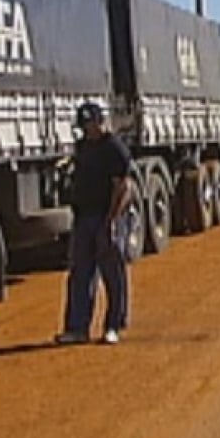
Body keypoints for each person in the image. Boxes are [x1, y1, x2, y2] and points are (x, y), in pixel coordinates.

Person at [55, 102, 135, 346]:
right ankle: (78, 328)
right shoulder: (83, 148)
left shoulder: (113, 148)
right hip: (84, 218)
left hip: (106, 217)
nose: (88, 129)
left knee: (112, 274)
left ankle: (113, 325)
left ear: (100, 122)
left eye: (91, 123)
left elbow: (124, 187)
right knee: (80, 274)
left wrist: (111, 221)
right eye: (84, 125)